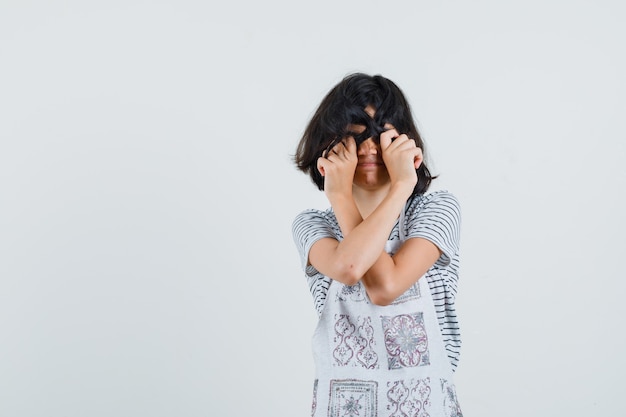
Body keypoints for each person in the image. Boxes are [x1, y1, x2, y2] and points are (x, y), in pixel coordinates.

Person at [291, 73, 463, 417]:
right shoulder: (313, 225)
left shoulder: (435, 209)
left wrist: (403, 186)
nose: (369, 148)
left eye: (381, 135)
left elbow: (385, 286)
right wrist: (338, 193)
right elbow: (350, 267)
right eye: (355, 138)